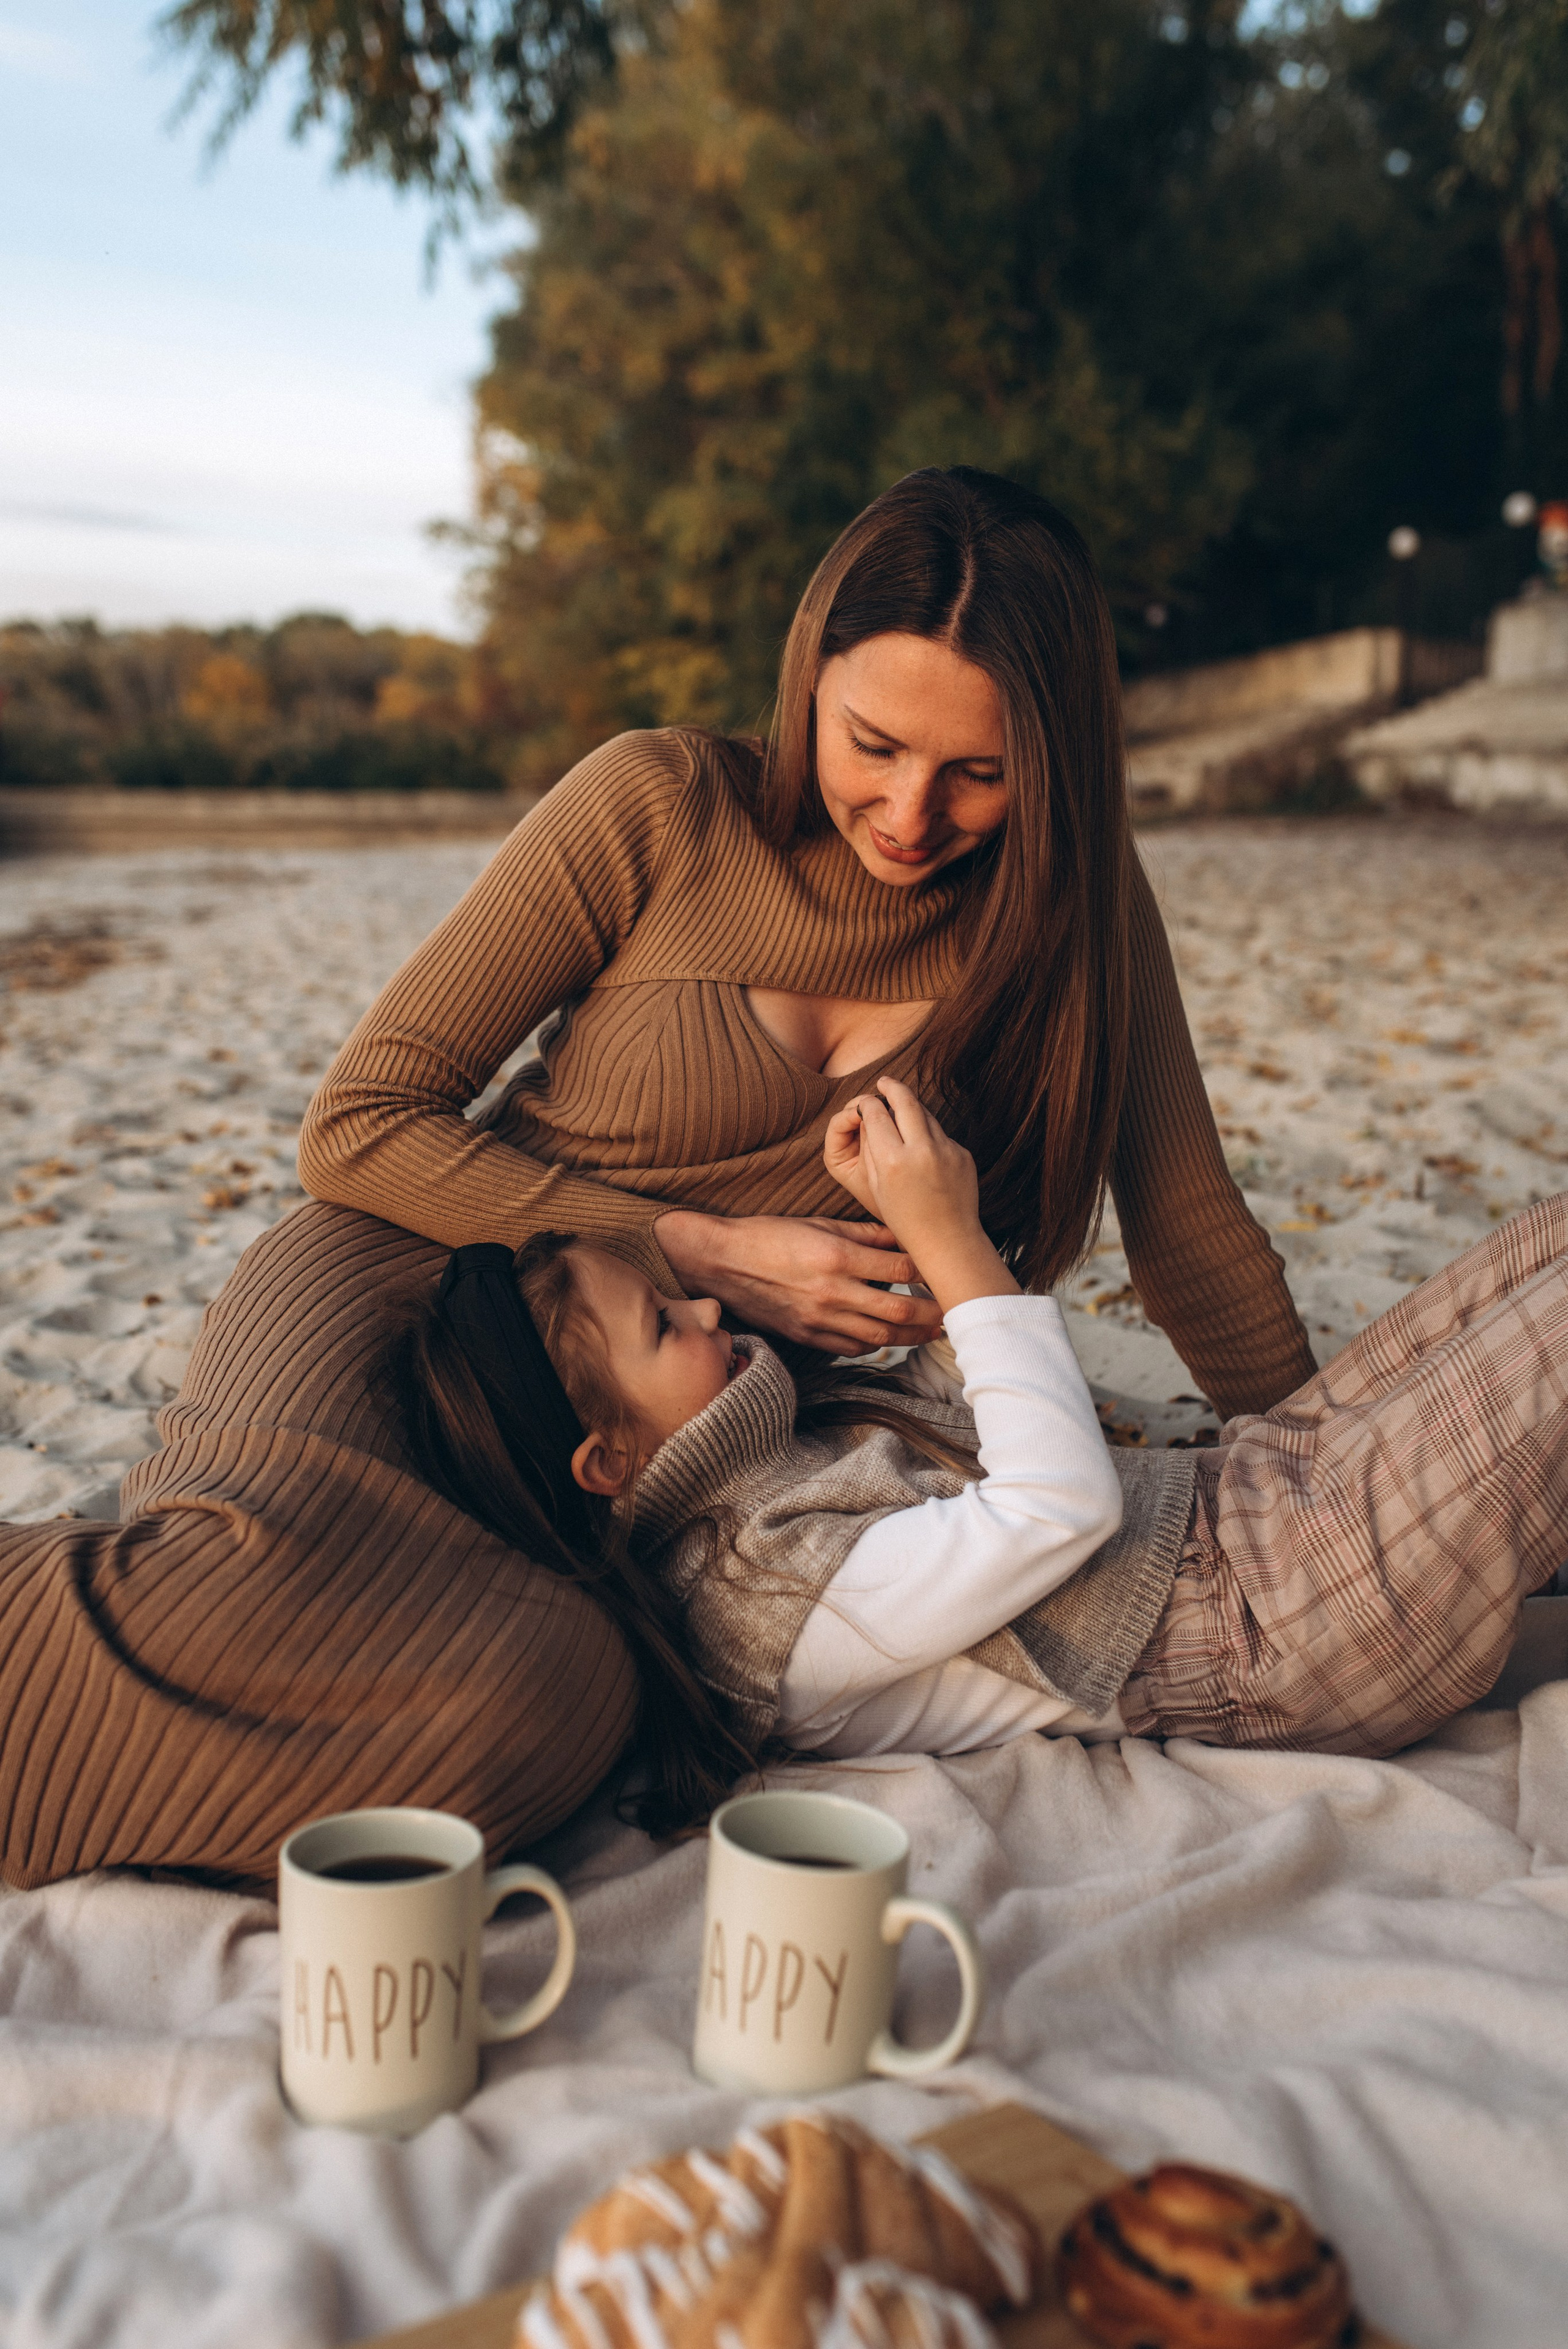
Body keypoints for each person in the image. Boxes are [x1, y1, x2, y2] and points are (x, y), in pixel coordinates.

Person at [301, 466, 1316, 1425]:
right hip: (409, 1290)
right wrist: (701, 1254)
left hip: (696, 1446)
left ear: (1055, 762)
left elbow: (1190, 1233)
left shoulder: (1077, 905)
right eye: (874, 746)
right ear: (811, 675)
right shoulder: (658, 802)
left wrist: (1315, 1454)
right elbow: (357, 1125)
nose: (912, 815)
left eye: (980, 771)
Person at [391, 1077, 1567, 1823]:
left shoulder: (764, 1454)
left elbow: (973, 1388)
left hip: (1252, 1494)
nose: (705, 1313)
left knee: (1545, 1242)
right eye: (664, 1327)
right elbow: (1058, 1503)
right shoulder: (771, 1598)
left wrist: (921, 1221)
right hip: (1295, 1616)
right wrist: (951, 1246)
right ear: (605, 1461)